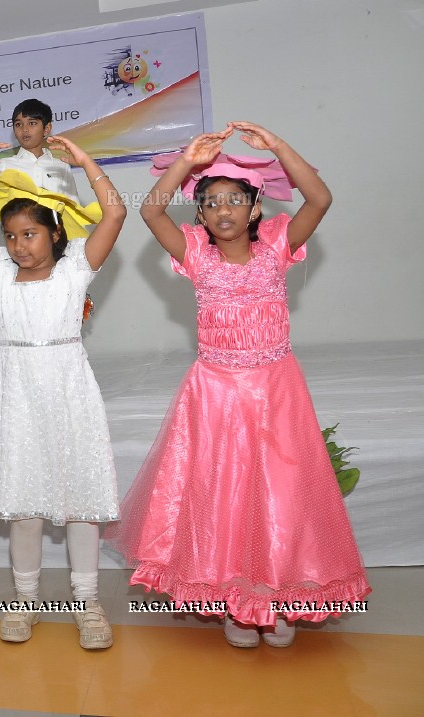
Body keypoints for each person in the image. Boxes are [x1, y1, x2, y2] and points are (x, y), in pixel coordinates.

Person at [109, 121, 370, 648]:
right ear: (200, 214)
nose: (223, 210)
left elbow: (319, 198)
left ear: (255, 209)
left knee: (283, 494)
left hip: (277, 390)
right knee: (221, 493)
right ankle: (234, 597)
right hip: (216, 392)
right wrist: (188, 159)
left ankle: (278, 598)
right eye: (211, 202)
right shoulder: (194, 254)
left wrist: (277, 146)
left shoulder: (278, 245)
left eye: (234, 200)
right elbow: (150, 210)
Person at [0, 136, 126, 649]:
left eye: (30, 233)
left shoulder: (75, 269)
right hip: (18, 392)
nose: (20, 244)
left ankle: (86, 602)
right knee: (25, 503)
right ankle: (23, 601)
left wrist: (87, 162)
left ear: (55, 233)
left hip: (68, 389)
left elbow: (115, 215)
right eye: (11, 235)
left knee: (80, 500)